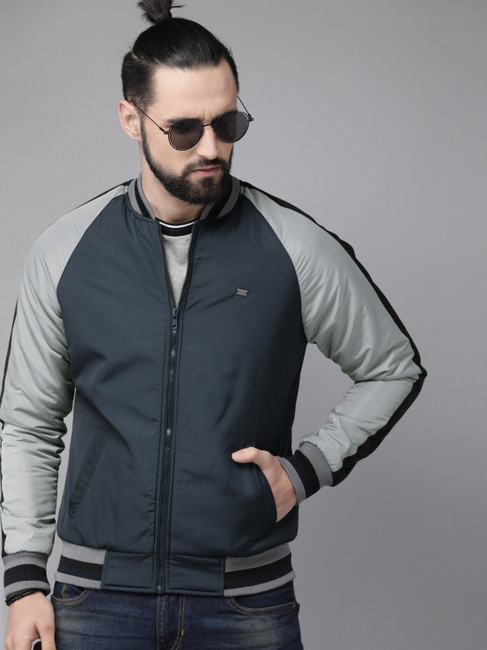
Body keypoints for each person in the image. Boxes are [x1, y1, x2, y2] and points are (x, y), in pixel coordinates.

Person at [0, 1, 426, 648]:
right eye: (183, 129)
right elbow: (29, 421)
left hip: (245, 603)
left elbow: (392, 368)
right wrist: (25, 579)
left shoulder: (293, 247)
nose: (210, 148)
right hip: (95, 599)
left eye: (227, 124)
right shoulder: (65, 252)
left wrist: (307, 469)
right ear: (130, 119)